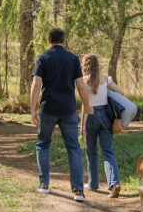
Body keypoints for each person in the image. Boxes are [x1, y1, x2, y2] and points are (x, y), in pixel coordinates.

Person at [30, 27, 94, 202]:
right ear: (64, 41)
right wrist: (87, 106)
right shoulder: (72, 59)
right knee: (73, 148)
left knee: (43, 144)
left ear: (48, 41)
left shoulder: (42, 58)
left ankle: (44, 184)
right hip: (68, 109)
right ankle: (78, 191)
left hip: (48, 108)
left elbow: (36, 84)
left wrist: (33, 109)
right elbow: (81, 86)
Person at [80, 54, 122, 198]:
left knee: (91, 151)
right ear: (98, 65)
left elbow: (85, 106)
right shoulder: (105, 79)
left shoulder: (84, 82)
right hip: (106, 116)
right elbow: (121, 92)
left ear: (85, 65)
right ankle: (114, 183)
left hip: (91, 117)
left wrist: (82, 126)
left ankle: (93, 184)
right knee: (108, 151)